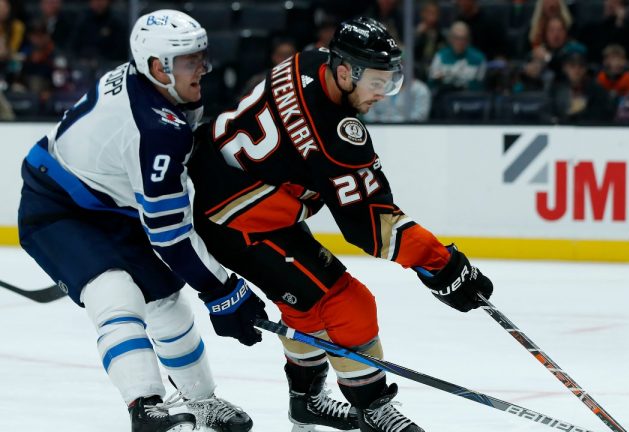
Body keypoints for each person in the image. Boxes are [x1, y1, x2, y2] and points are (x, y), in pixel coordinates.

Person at [187, 16, 493, 432]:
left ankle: (306, 402)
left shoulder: (310, 62)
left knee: (305, 304)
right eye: (378, 84)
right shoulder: (335, 135)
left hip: (226, 186)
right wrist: (442, 264)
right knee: (347, 303)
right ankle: (373, 408)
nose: (383, 95)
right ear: (346, 72)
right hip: (238, 220)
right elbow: (370, 226)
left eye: (390, 82)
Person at [17, 10, 266, 432]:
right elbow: (169, 236)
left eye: (201, 57)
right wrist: (222, 290)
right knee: (115, 294)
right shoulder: (154, 126)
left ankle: (201, 401)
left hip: (109, 207)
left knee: (168, 303)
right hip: (56, 208)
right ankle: (146, 407)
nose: (203, 69)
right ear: (158, 67)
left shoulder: (158, 90)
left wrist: (217, 290)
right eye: (191, 61)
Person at [428, 21, 487, 95]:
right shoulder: (440, 56)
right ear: (450, 38)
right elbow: (431, 82)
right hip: (444, 97)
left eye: (463, 38)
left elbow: (480, 85)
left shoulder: (478, 58)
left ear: (468, 39)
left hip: (469, 98)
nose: (460, 42)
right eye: (456, 38)